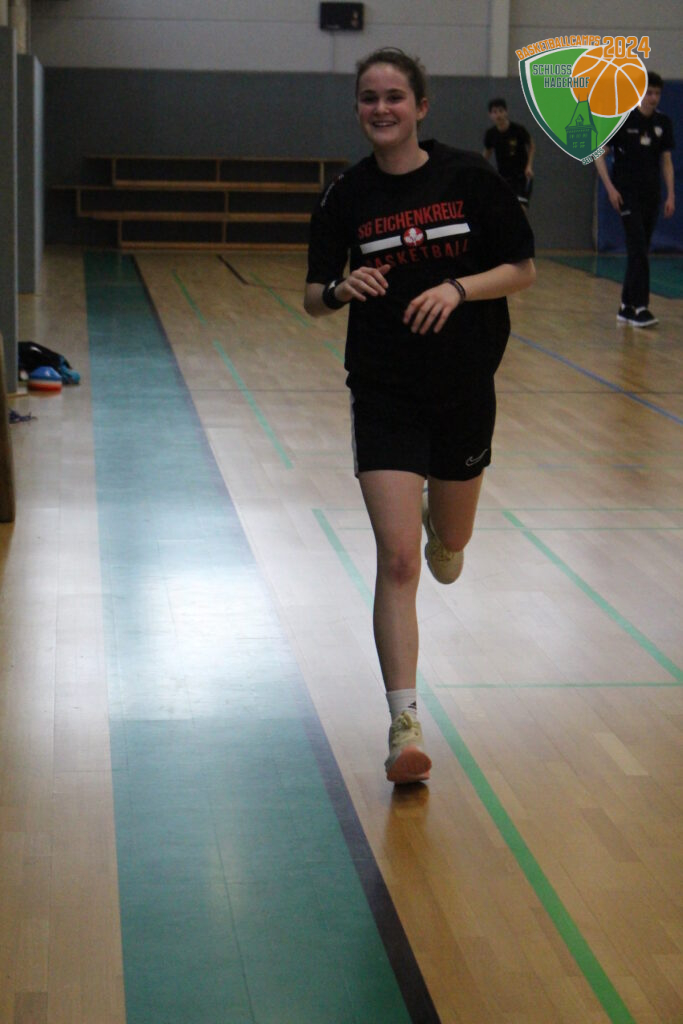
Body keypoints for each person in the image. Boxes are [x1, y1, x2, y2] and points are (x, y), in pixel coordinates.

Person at [304, 48, 535, 785]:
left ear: (421, 106)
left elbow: (522, 268)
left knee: (447, 547)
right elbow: (312, 294)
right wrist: (340, 290)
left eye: (394, 96)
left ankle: (446, 523)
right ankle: (403, 723)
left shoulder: (468, 177)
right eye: (368, 97)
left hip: (464, 388)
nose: (381, 108)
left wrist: (458, 289)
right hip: (383, 391)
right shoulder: (346, 195)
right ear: (358, 108)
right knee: (399, 559)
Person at [594, 72, 675, 328]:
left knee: (639, 250)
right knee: (638, 248)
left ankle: (625, 306)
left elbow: (666, 161)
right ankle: (641, 307)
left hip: (652, 195)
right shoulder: (622, 121)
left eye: (657, 93)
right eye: (649, 92)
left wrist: (671, 194)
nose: (653, 98)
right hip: (626, 195)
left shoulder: (663, 122)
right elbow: (598, 155)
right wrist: (610, 188)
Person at [483, 98, 535, 209]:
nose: (498, 115)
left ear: (506, 112)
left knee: (521, 208)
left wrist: (529, 166)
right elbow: (487, 153)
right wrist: (480, 166)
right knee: (506, 209)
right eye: (494, 112)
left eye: (501, 111)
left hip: (521, 176)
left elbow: (531, 145)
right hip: (504, 178)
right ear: (490, 115)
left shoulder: (518, 130)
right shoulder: (491, 134)